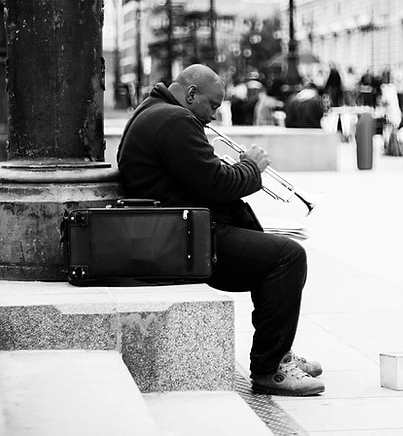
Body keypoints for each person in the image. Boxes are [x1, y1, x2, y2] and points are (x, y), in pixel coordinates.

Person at [117, 65, 324, 396]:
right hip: (184, 240)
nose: (213, 115)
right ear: (191, 94)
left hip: (180, 231)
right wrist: (250, 167)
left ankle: (278, 351)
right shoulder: (175, 120)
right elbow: (217, 184)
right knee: (287, 256)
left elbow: (199, 176)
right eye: (212, 105)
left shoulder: (154, 111)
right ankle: (270, 369)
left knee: (271, 251)